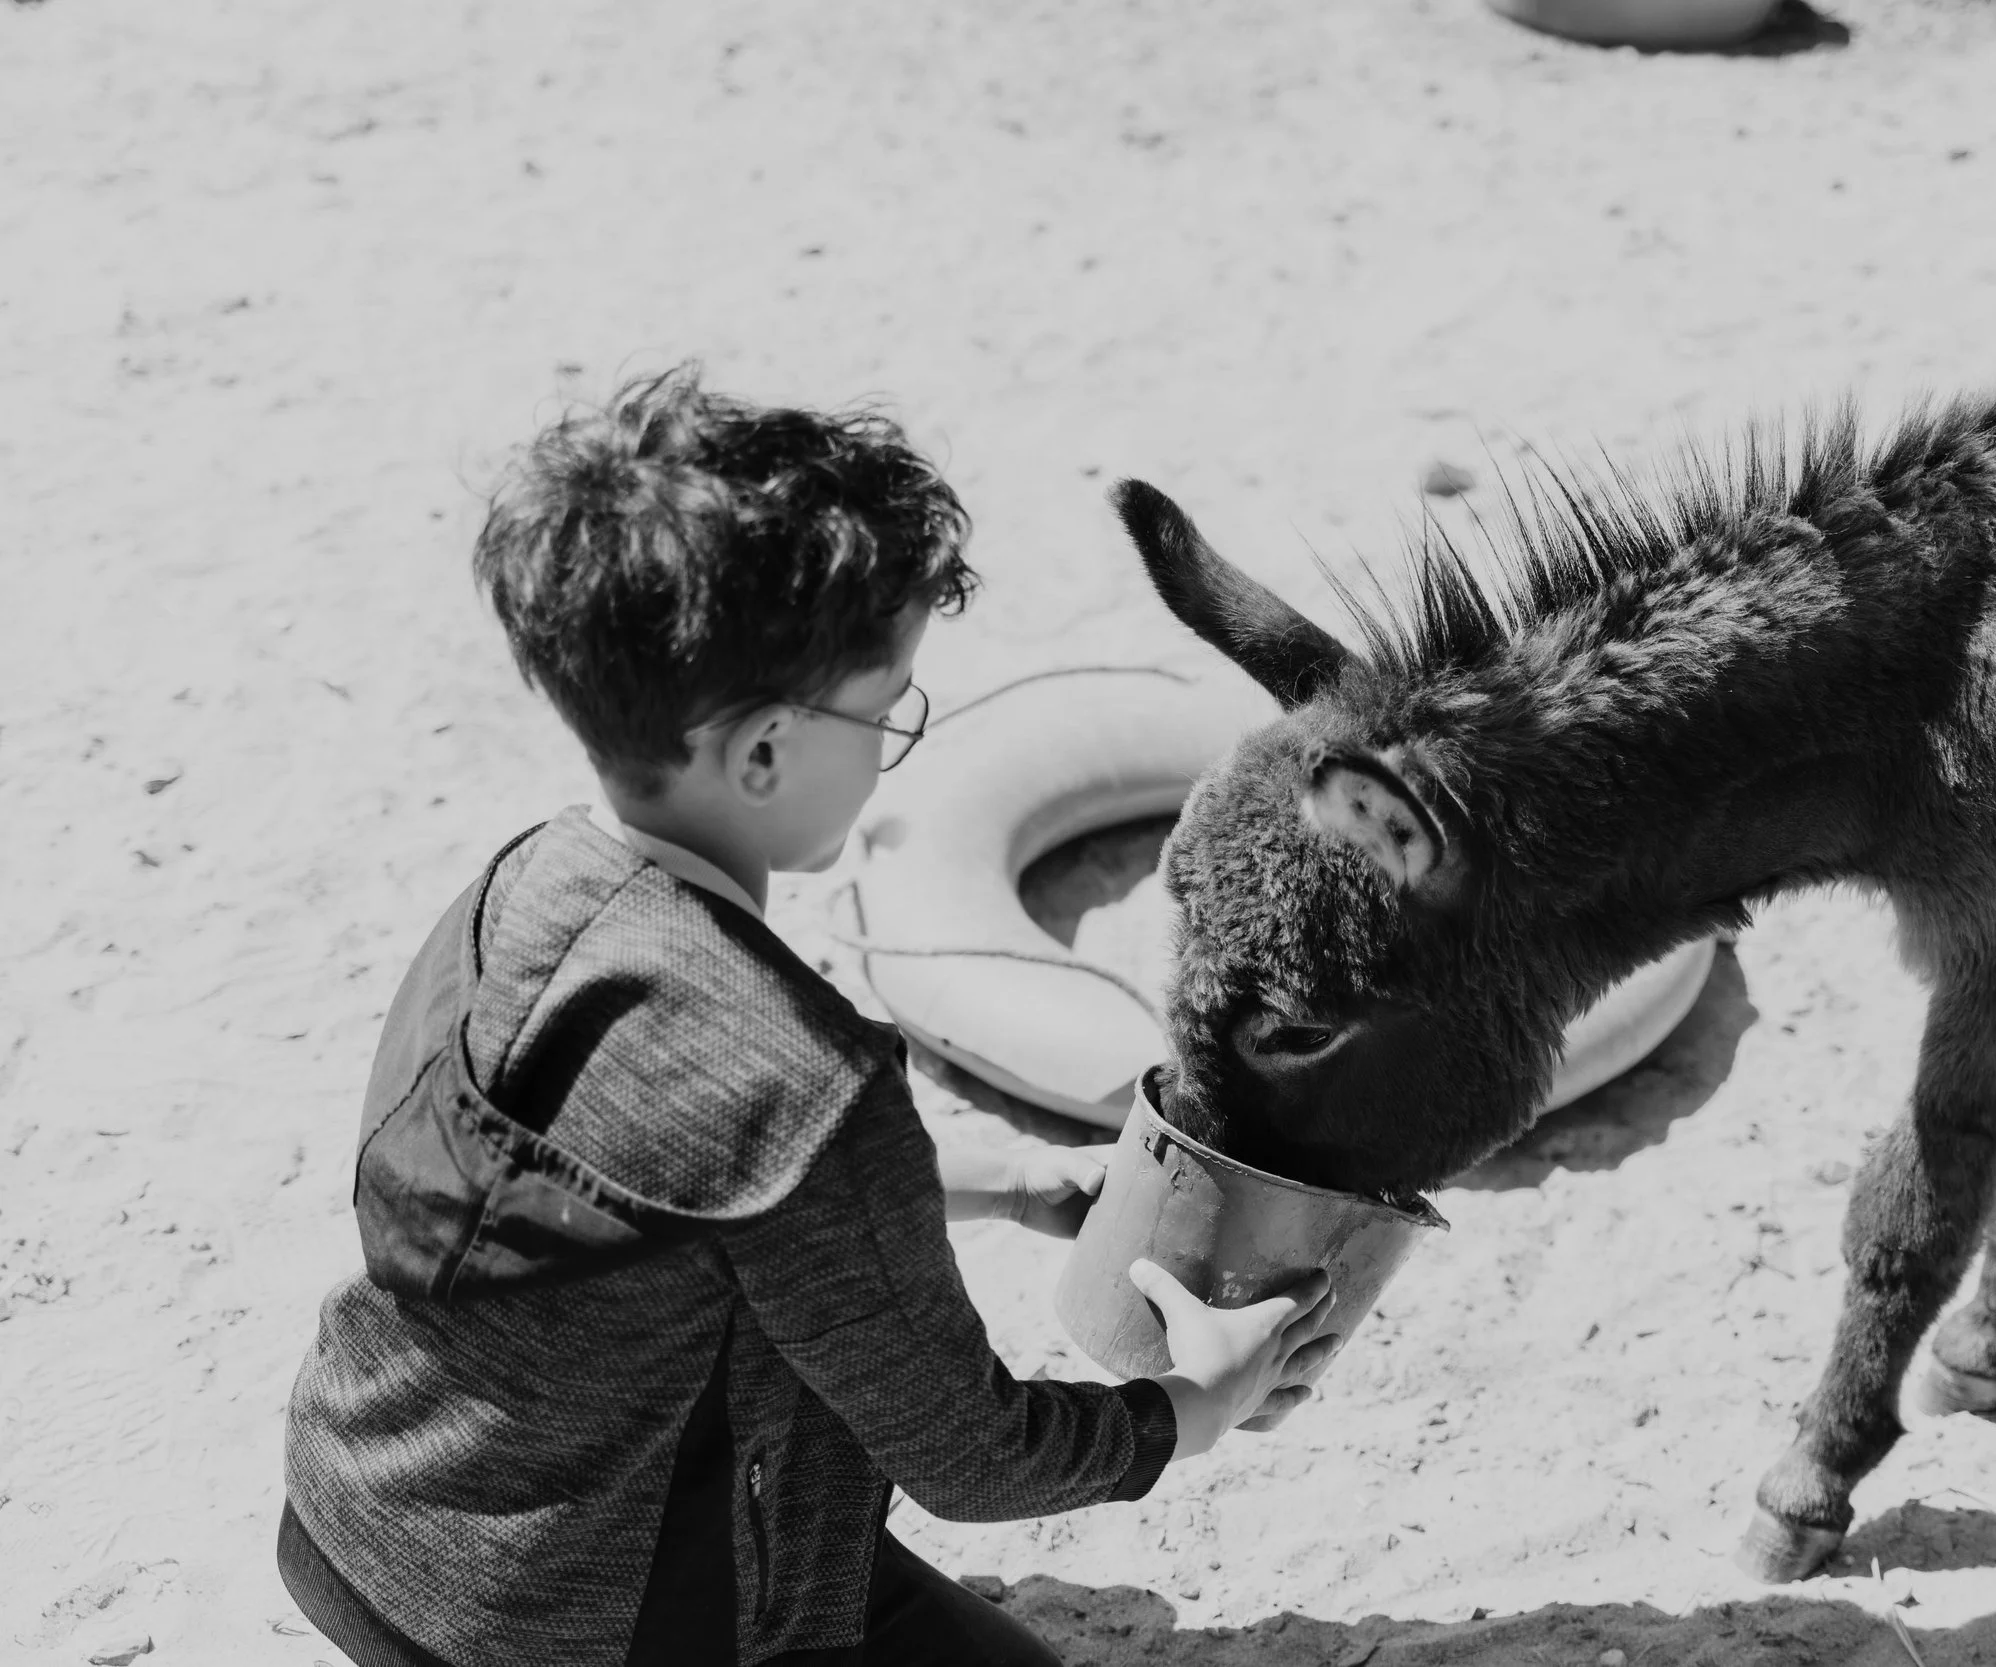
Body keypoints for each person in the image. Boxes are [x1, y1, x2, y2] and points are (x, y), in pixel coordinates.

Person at [277, 367, 1337, 1667]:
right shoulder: (810, 1085)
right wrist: (1190, 1405)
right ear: (765, 752)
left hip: (362, 1514)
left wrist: (982, 1182)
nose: (899, 731)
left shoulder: (512, 889)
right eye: (889, 706)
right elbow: (972, 1457)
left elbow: (624, 1193)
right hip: (581, 1628)